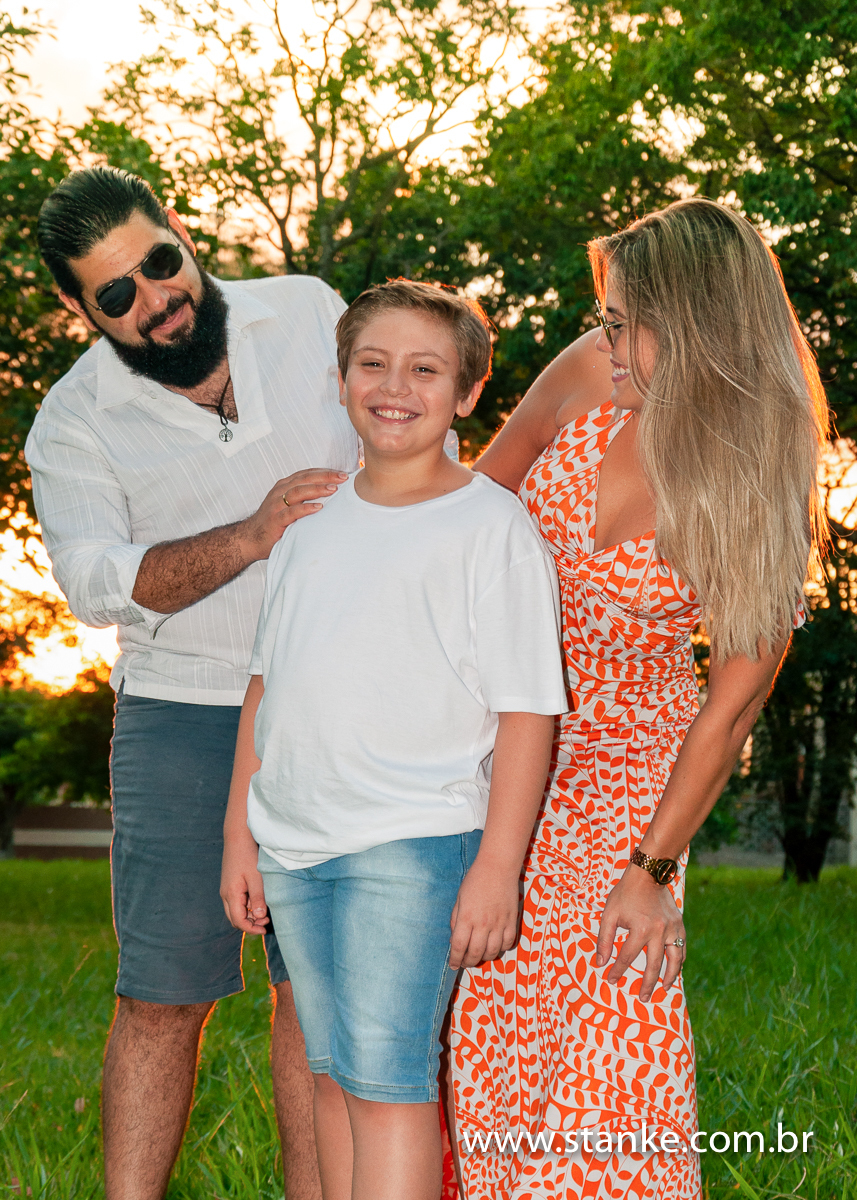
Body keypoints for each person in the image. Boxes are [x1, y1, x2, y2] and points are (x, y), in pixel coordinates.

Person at [449, 198, 828, 1198]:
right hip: (498, 741)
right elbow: (475, 508)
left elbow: (733, 704)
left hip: (628, 773)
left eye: (624, 324)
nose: (604, 342)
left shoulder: (759, 469)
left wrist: (650, 870)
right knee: (495, 1017)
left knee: (614, 1027)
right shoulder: (589, 370)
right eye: (604, 319)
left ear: (696, 323)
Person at [25, 165, 358, 1200]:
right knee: (163, 995)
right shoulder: (72, 421)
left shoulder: (308, 311)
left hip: (342, 703)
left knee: (315, 997)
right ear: (79, 307)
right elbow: (95, 584)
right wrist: (251, 535)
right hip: (183, 713)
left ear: (177, 229)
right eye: (115, 293)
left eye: (158, 263)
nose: (156, 299)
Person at [219, 279, 569, 1200]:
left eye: (425, 370)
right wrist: (238, 836)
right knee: (331, 1078)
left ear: (467, 393)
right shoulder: (309, 523)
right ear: (340, 380)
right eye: (372, 364)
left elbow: (528, 714)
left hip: (411, 842)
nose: (394, 387)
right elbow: (265, 687)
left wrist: (497, 868)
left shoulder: (491, 528)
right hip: (294, 843)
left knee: (387, 1085)